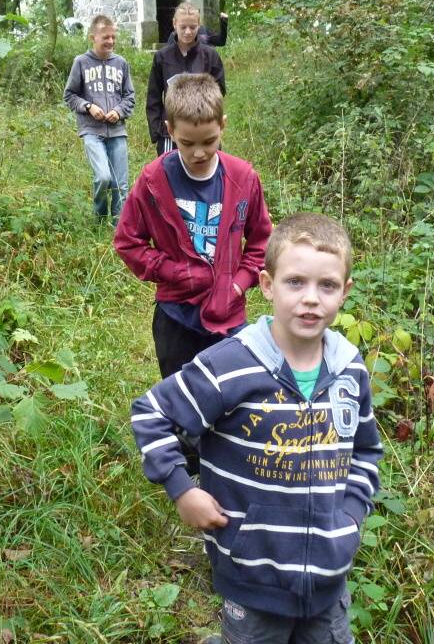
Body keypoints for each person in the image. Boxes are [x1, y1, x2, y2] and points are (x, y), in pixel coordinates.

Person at [131, 212, 384, 644]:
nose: (310, 299)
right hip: (251, 579)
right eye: (295, 282)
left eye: (326, 286)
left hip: (328, 580)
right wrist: (182, 489)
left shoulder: (350, 369)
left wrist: (350, 518)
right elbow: (151, 413)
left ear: (345, 291)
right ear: (267, 285)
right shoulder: (231, 364)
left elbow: (365, 451)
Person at [115, 73, 271, 380]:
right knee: (180, 395)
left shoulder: (243, 178)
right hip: (175, 316)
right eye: (186, 143)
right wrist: (175, 272)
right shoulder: (153, 181)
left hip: (228, 316)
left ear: (222, 125)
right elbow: (128, 241)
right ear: (170, 129)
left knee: (231, 393)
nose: (199, 153)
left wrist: (238, 284)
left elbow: (262, 243)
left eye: (209, 141)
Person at [63, 15, 135, 224]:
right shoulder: (81, 62)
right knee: (103, 177)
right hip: (91, 131)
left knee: (121, 184)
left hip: (117, 131)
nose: (111, 41)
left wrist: (119, 111)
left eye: (113, 37)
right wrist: (88, 107)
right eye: (106, 37)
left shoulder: (121, 63)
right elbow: (70, 95)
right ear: (92, 37)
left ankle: (119, 226)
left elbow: (129, 96)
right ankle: (100, 219)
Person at [146, 3, 226, 156]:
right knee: (170, 169)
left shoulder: (210, 56)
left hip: (203, 127)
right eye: (183, 27)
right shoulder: (162, 57)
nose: (188, 32)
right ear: (174, 24)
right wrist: (157, 130)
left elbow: (219, 91)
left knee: (205, 167)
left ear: (199, 25)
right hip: (170, 132)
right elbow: (153, 96)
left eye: (192, 27)